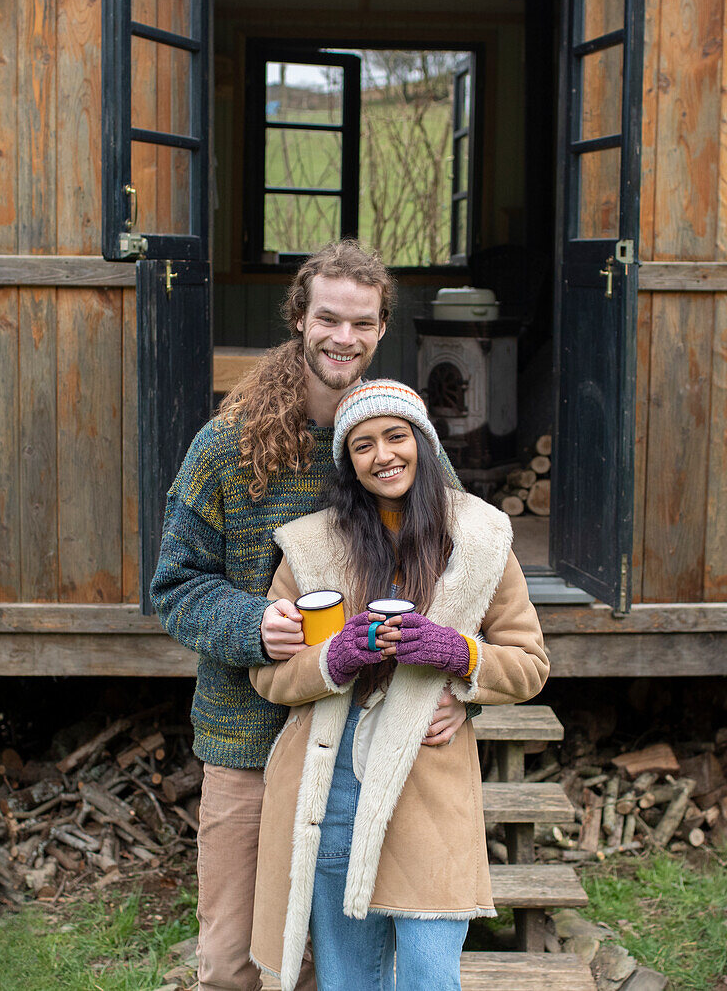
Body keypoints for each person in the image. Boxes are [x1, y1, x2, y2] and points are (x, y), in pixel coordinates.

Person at [150, 241, 470, 991]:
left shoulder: (398, 440)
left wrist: (464, 692)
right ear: (300, 319)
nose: (343, 338)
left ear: (381, 328)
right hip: (251, 743)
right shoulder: (226, 447)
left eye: (361, 323)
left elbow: (468, 579)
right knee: (235, 962)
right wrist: (249, 625)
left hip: (368, 747)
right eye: (328, 318)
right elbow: (174, 584)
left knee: (343, 967)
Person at [248, 380, 550, 991]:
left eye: (396, 436)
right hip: (334, 781)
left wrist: (459, 658)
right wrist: (337, 655)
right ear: (348, 463)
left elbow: (529, 666)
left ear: (424, 443)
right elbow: (269, 677)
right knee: (348, 978)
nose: (383, 455)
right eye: (363, 445)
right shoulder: (308, 548)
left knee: (428, 975)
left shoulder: (482, 539)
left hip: (429, 779)